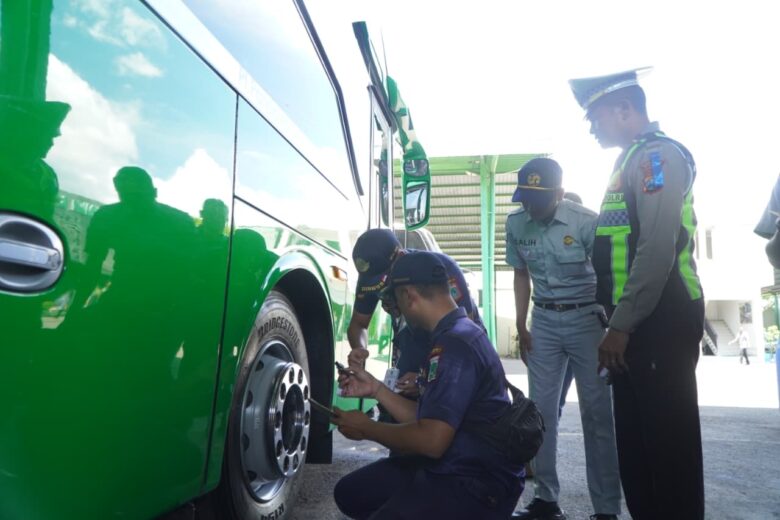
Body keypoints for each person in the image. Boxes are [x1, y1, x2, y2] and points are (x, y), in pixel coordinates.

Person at [569, 68, 706, 519]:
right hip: (635, 322)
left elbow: (655, 249)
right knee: (638, 446)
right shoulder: (631, 160)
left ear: (625, 109)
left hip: (659, 320)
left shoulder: (656, 158)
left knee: (668, 448)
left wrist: (621, 325)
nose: (591, 127)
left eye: (595, 117)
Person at [331, 251, 524, 519]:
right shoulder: (456, 331)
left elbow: (431, 441)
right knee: (351, 493)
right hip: (456, 461)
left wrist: (367, 428)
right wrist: (376, 388)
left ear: (409, 296)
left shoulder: (454, 346)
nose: (395, 309)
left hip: (475, 482)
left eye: (395, 299)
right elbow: (429, 417)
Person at [506, 158, 621, 520]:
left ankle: (606, 509)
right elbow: (521, 274)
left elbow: (608, 277)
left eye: (539, 200)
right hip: (543, 321)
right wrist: (522, 326)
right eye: (525, 198)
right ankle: (545, 499)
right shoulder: (516, 223)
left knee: (597, 414)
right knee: (539, 413)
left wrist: (612, 329)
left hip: (587, 319)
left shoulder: (586, 222)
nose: (530, 207)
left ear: (558, 193)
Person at [347, 229, 480, 389]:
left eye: (386, 280)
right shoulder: (371, 277)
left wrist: (423, 379)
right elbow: (358, 324)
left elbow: (464, 337)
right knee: (401, 390)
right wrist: (360, 349)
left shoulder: (443, 269)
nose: (383, 288)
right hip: (411, 340)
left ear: (400, 256)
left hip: (455, 348)